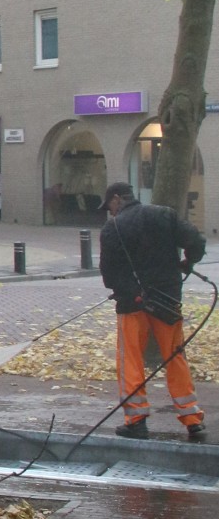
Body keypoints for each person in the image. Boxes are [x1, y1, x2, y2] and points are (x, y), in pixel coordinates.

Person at [98, 180, 206, 440]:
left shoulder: (112, 227)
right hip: (167, 300)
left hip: (132, 304)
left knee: (131, 359)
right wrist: (187, 261)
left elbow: (109, 273)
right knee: (174, 355)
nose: (110, 212)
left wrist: (131, 293)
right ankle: (192, 418)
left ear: (116, 200)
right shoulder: (164, 214)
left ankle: (136, 420)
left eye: (109, 206)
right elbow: (196, 241)